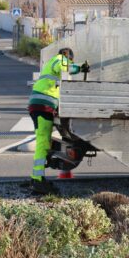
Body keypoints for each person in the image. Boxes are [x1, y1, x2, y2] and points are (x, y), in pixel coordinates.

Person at [27, 47, 89, 194]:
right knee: (42, 142)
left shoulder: (51, 64)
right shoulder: (59, 59)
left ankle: (36, 177)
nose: (69, 62)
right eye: (70, 60)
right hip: (43, 106)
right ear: (67, 56)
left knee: (43, 141)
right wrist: (80, 67)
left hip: (40, 105)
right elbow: (64, 67)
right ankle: (37, 180)